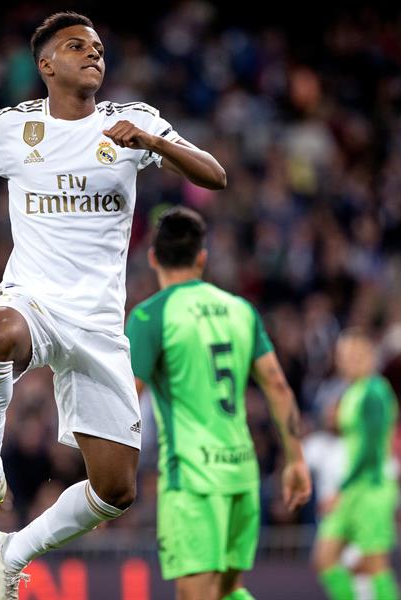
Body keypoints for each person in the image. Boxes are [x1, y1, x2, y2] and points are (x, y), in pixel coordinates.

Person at [0, 11, 227, 599]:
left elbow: (215, 176)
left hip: (100, 325)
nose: (93, 55)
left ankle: (14, 549)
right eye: (76, 46)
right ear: (46, 64)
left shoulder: (132, 122)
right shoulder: (12, 128)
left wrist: (155, 142)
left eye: (99, 48)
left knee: (116, 491)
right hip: (34, 299)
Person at [125, 207, 312, 600]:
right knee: (229, 591)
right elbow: (278, 385)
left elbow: (129, 398)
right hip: (241, 472)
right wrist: (295, 459)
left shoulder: (150, 316)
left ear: (153, 257)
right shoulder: (241, 310)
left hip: (192, 479)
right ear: (202, 258)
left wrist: (105, 479)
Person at [313, 330, 401, 600]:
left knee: (375, 564)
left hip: (371, 488)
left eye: (354, 355)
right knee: (324, 557)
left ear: (370, 357)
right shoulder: (354, 391)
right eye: (342, 356)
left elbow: (370, 451)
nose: (346, 362)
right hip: (354, 488)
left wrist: (341, 490)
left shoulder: (375, 392)